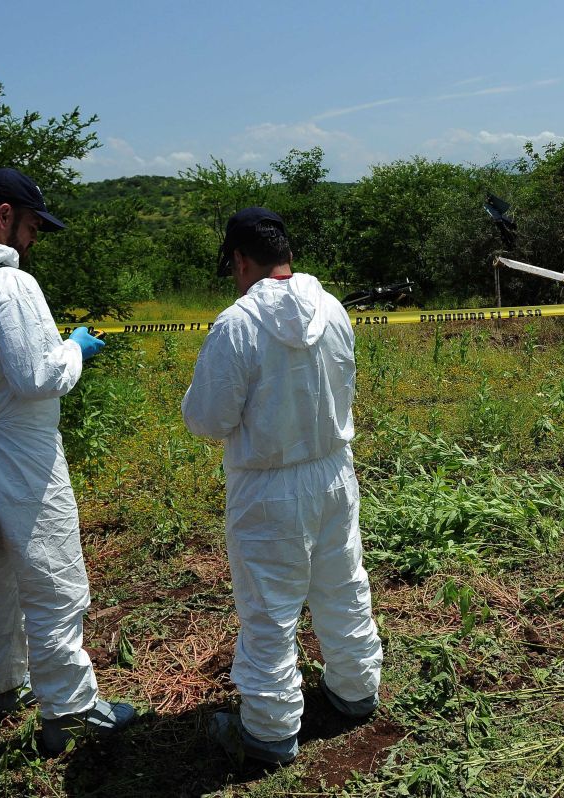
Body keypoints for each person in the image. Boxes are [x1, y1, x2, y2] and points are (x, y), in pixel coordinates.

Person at [0, 167, 133, 755]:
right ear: (6, 215)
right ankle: (70, 706)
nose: (34, 239)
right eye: (34, 226)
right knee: (55, 577)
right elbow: (38, 375)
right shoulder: (9, 284)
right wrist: (76, 348)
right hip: (19, 448)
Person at [182, 207, 384, 765]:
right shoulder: (335, 309)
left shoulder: (236, 324)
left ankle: (269, 734)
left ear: (241, 260)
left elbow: (207, 419)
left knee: (269, 611)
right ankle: (356, 690)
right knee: (343, 585)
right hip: (334, 474)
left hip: (268, 488)